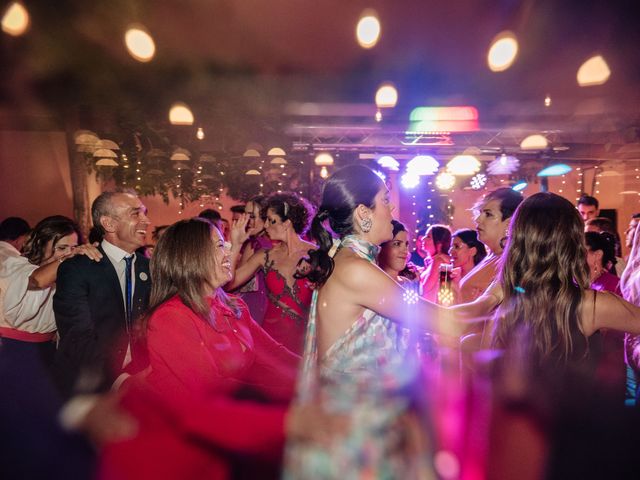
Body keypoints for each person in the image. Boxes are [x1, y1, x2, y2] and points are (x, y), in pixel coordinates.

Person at [100, 218, 340, 480]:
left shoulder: (233, 307)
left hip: (229, 439)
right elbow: (207, 404)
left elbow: (275, 357)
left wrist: (324, 374)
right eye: (218, 245)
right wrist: (290, 418)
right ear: (191, 256)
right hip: (182, 456)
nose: (228, 251)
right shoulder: (170, 319)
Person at [283, 165, 470, 479]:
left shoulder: (354, 262)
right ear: (363, 213)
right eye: (385, 200)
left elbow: (415, 309)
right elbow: (442, 322)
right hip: (353, 440)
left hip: (363, 428)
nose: (392, 208)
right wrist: (501, 308)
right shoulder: (356, 269)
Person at [53, 191, 152, 397]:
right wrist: (119, 381)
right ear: (109, 223)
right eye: (136, 214)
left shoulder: (150, 268)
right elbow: (77, 337)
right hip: (90, 386)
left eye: (144, 213)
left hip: (142, 381)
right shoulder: (78, 269)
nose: (146, 221)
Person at [0, 216, 101, 368]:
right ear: (40, 244)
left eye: (73, 247)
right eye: (62, 248)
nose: (68, 253)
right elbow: (36, 281)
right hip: (12, 352)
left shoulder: (68, 277)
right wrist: (68, 258)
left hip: (48, 353)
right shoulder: (19, 265)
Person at [227, 192, 315, 355]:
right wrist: (236, 245)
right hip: (271, 339)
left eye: (271, 220)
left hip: (306, 341)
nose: (266, 225)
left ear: (287, 223)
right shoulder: (264, 255)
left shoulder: (316, 255)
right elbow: (230, 283)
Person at [459, 188, 523, 304]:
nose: (478, 219)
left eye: (488, 214)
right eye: (480, 213)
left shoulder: (510, 262)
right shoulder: (492, 256)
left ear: (509, 223)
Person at [230, 195, 270, 324]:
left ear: (266, 217)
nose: (247, 221)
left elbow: (232, 281)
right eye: (245, 215)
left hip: (254, 305)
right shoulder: (276, 244)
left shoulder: (255, 245)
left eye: (252, 216)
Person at [448, 229, 487, 304]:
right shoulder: (450, 276)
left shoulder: (483, 280)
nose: (450, 251)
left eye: (456, 246)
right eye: (451, 247)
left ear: (472, 251)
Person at [377, 220, 418, 285]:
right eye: (397, 244)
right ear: (381, 247)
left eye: (406, 245)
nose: (405, 251)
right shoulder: (371, 285)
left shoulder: (408, 284)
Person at [418, 224, 452, 302]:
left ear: (439, 244)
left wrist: (414, 278)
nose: (423, 239)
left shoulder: (439, 261)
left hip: (430, 308)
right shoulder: (435, 261)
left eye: (428, 237)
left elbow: (424, 288)